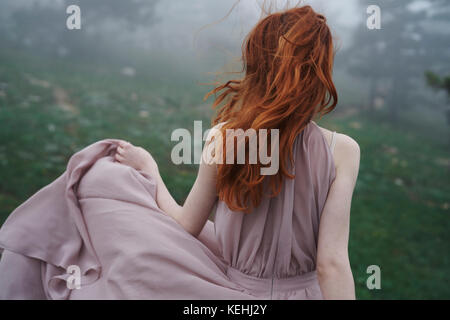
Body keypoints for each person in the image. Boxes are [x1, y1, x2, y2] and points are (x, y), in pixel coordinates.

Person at [0, 5, 359, 300]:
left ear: (257, 65)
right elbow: (331, 264)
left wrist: (150, 170)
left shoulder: (225, 138)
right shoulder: (342, 151)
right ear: (320, 71)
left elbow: (186, 224)